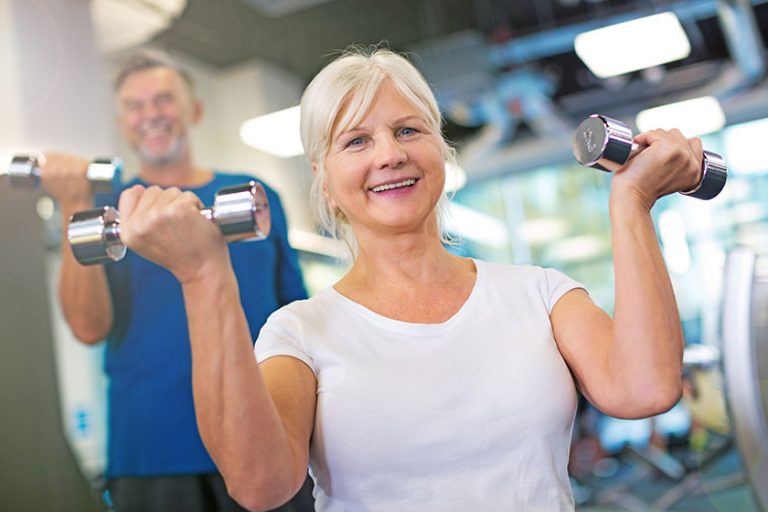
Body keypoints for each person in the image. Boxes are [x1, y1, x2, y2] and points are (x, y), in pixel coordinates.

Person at [112, 46, 704, 511]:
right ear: (323, 177)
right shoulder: (298, 333)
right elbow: (261, 484)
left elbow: (646, 389)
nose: (388, 155)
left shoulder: (538, 293)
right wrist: (201, 276)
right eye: (356, 141)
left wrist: (632, 202)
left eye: (407, 131)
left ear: (439, 150)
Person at [40, 50, 310, 512]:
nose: (150, 115)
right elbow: (88, 327)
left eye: (164, 100)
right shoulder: (108, 208)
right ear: (123, 124)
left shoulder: (253, 196)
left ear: (194, 110)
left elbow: (298, 322)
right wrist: (72, 204)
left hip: (262, 435)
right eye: (135, 105)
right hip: (152, 455)